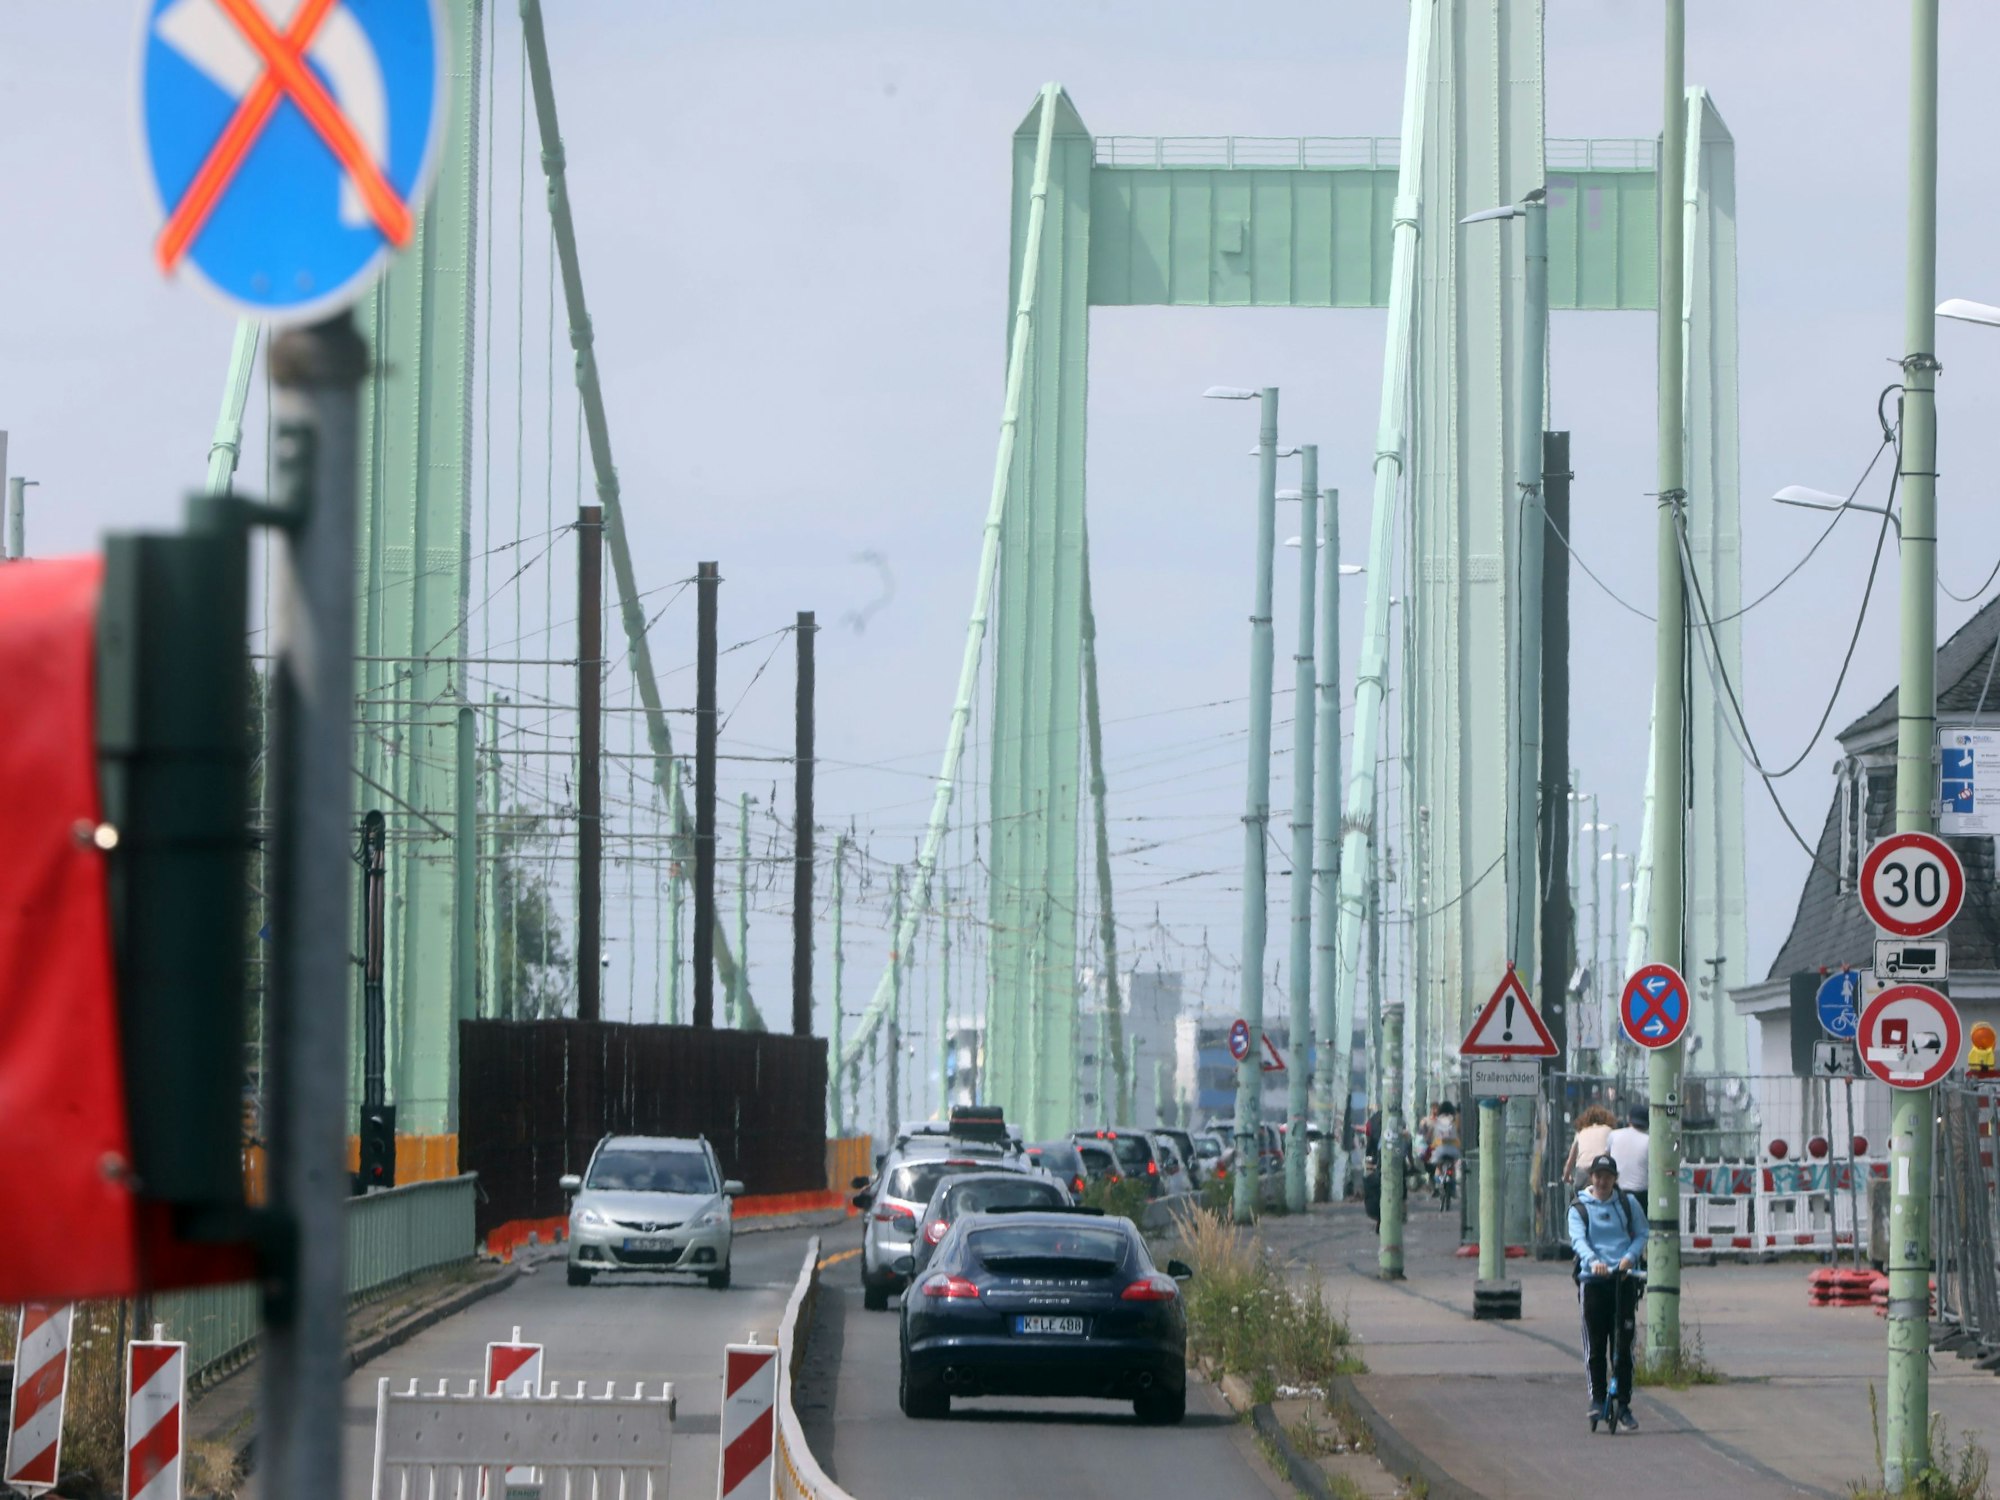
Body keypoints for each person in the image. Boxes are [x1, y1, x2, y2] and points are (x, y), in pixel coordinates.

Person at [1568, 1152, 1648, 1432]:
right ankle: (1597, 1398)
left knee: (1623, 1345)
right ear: (1592, 1178)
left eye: (1608, 1177)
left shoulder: (1627, 1204)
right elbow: (1578, 1240)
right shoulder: (1579, 1208)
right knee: (1596, 1345)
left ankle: (1623, 1404)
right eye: (1598, 1176)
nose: (1603, 1182)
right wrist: (1594, 1262)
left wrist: (1629, 1257)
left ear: (1615, 1179)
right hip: (1594, 1280)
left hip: (1624, 1279)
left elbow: (1641, 1233)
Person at [1608, 1103, 1650, 1214]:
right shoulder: (1649, 1141)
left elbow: (1606, 1157)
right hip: (1640, 1192)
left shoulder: (1613, 1135)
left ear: (1629, 1119)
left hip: (1616, 1190)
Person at [1562, 1104, 1617, 1188]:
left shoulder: (1580, 1132)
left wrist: (1566, 1176)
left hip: (1583, 1170)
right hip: (1603, 1169)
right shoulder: (1609, 1131)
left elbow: (1570, 1160)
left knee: (1579, 1195)